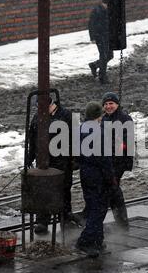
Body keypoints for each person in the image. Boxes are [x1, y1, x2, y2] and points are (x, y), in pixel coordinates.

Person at [27, 95, 75, 234]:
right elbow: (32, 138)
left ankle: (65, 217)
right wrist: (29, 157)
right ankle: (42, 221)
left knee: (64, 190)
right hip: (44, 161)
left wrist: (74, 159)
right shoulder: (37, 118)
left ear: (52, 104)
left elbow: (76, 138)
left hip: (63, 161)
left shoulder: (67, 116)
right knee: (43, 190)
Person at [76, 101, 115, 258]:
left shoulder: (80, 130)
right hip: (97, 174)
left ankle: (97, 240)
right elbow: (104, 159)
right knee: (98, 209)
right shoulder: (99, 132)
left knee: (93, 206)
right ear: (98, 116)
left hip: (85, 172)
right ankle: (85, 241)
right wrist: (110, 177)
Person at [101, 92, 133, 230]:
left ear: (117, 104)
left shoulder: (125, 119)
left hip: (119, 161)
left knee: (111, 189)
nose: (108, 106)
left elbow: (126, 143)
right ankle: (121, 222)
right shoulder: (104, 119)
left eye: (111, 104)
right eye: (106, 104)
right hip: (109, 161)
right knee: (111, 190)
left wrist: (111, 146)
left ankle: (121, 223)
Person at [88, 0, 113, 84]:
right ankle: (102, 77)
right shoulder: (97, 11)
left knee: (110, 55)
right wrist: (93, 37)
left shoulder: (107, 11)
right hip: (100, 37)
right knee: (104, 55)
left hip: (107, 36)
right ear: (104, 3)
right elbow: (91, 25)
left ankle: (94, 65)